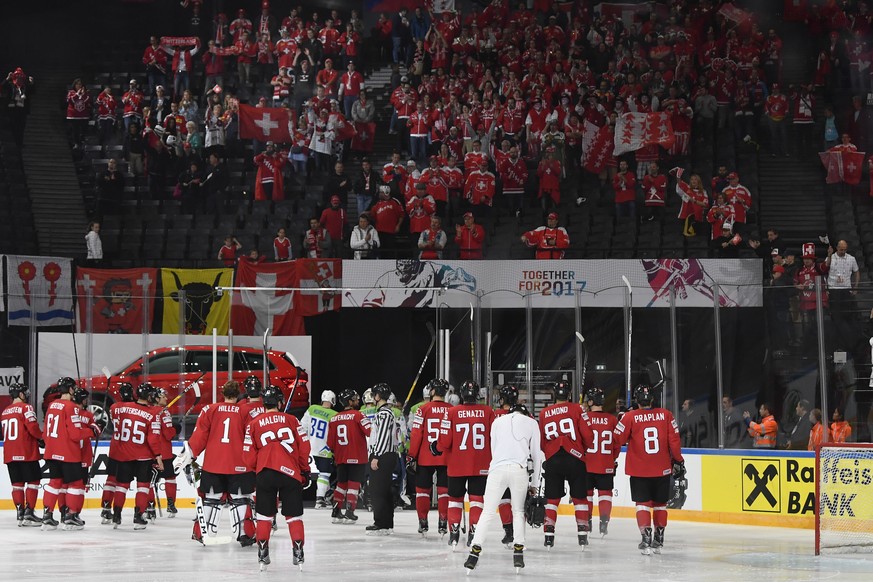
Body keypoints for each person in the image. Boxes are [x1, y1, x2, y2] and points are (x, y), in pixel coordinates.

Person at [464, 400, 543, 572]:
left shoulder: (497, 422)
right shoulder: (531, 423)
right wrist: (534, 483)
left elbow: (494, 448)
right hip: (519, 470)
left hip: (497, 469)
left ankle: (474, 552)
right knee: (518, 512)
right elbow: (537, 456)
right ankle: (518, 553)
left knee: (487, 512)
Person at [178, 380, 255, 546]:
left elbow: (199, 438)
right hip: (239, 465)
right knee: (240, 498)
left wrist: (190, 455)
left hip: (213, 465)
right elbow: (251, 439)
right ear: (238, 394)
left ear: (223, 394)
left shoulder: (209, 410)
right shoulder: (245, 412)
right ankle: (244, 534)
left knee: (211, 498)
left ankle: (203, 533)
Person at [243, 385, 311, 571]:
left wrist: (256, 469)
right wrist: (303, 469)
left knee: (264, 517)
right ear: (280, 402)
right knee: (293, 516)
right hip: (290, 473)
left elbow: (248, 455)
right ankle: (298, 551)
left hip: (265, 473)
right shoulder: (292, 420)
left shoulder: (253, 424)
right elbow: (304, 447)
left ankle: (263, 552)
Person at [613, 384, 684, 555]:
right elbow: (674, 441)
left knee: (643, 504)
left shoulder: (630, 417)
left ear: (637, 400)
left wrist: (622, 418)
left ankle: (646, 537)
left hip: (639, 470)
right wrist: (678, 461)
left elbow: (617, 439)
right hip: (662, 469)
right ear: (652, 399)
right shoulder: (666, 415)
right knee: (660, 505)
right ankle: (658, 539)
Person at [432, 380, 494, 547]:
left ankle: (453, 533)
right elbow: (494, 438)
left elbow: (444, 441)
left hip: (456, 465)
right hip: (481, 464)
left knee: (455, 500)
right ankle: (474, 533)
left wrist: (436, 447)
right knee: (476, 500)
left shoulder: (451, 412)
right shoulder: (488, 411)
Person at [538, 381, 594, 549]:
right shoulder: (577, 408)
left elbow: (542, 442)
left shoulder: (544, 413)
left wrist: (550, 453)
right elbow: (588, 436)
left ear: (555, 395)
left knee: (552, 499)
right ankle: (583, 535)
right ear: (569, 394)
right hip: (574, 457)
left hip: (553, 458)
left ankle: (549, 534)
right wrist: (580, 450)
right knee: (580, 498)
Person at [41, 377, 97, 531]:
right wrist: (91, 431)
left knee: (54, 483)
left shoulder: (52, 405)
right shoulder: (71, 407)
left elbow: (45, 433)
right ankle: (71, 516)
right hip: (67, 453)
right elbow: (75, 434)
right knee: (76, 484)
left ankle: (47, 516)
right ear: (71, 389)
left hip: (52, 451)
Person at [109, 383, 163, 530]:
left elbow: (114, 414)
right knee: (143, 487)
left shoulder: (119, 408)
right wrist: (158, 455)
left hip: (123, 454)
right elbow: (153, 439)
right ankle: (138, 517)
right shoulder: (153, 414)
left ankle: (116, 515)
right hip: (143, 456)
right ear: (149, 396)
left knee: (121, 486)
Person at [408, 379, 451, 536]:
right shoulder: (452, 409)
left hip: (425, 457)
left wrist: (412, 455)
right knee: (444, 491)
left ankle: (423, 522)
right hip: (446, 457)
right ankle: (443, 521)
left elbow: (416, 433)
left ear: (432, 391)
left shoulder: (422, 409)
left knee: (422, 491)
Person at [2, 383, 43, 527]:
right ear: (20, 394)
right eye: (25, 393)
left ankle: (20, 512)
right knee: (34, 481)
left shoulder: (5, 411)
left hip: (10, 453)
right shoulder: (26, 408)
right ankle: (29, 513)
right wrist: (41, 438)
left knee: (17, 484)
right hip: (26, 452)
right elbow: (32, 427)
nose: (26, 396)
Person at [327, 389, 371, 524]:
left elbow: (330, 443)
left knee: (341, 484)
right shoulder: (359, 416)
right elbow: (370, 432)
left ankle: (336, 511)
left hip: (341, 457)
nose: (357, 401)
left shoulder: (334, 418)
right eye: (355, 399)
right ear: (350, 401)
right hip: (357, 456)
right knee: (354, 484)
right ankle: (350, 511)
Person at [584, 387, 619, 536]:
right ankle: (604, 522)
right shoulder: (612, 419)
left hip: (587, 464)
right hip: (606, 464)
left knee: (587, 495)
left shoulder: (584, 418)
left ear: (591, 401)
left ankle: (587, 521)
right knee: (605, 495)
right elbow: (617, 444)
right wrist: (612, 459)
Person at [367, 383, 400, 535]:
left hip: (383, 455)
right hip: (387, 455)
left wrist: (376, 456)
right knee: (384, 489)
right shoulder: (386, 412)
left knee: (378, 490)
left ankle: (380, 522)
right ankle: (386, 523)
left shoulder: (384, 414)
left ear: (378, 396)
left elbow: (382, 437)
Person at [302, 391, 338, 509]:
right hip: (324, 448)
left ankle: (324, 497)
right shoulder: (334, 414)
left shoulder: (312, 409)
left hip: (310, 447)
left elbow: (303, 426)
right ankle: (320, 499)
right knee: (324, 474)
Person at [146, 387, 178, 520]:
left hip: (149, 451)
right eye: (163, 396)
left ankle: (150, 507)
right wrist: (175, 429)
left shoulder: (146, 411)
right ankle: (171, 504)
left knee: (148, 482)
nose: (166, 398)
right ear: (157, 398)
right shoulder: (164, 412)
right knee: (170, 478)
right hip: (164, 452)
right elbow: (168, 434)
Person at [825, 240, 860, 335]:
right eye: (841, 249)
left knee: (847, 315)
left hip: (846, 289)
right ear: (837, 248)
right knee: (836, 316)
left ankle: (847, 337)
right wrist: (829, 255)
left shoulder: (851, 258)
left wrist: (856, 286)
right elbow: (825, 267)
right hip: (833, 290)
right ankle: (837, 336)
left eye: (845, 249)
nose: (843, 251)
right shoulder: (831, 258)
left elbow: (856, 271)